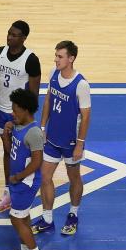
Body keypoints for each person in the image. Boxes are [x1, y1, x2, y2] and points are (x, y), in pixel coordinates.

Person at [30, 41, 90, 235]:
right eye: (55, 55)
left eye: (60, 56)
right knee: (45, 177)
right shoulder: (53, 74)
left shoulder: (81, 85)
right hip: (52, 139)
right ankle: (48, 219)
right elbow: (48, 100)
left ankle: (73, 214)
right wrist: (42, 126)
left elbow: (86, 116)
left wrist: (80, 144)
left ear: (71, 59)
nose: (56, 59)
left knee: (74, 179)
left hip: (71, 143)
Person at [0, 21, 42, 213]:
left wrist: (24, 120)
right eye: (8, 33)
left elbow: (33, 94)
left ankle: (19, 188)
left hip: (18, 116)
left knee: (20, 154)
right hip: (1, 111)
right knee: (7, 151)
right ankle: (8, 189)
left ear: (24, 38)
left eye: (14, 35)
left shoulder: (30, 60)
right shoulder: (0, 52)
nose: (9, 37)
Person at [0, 88, 47, 250]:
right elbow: (10, 151)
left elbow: (37, 162)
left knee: (16, 218)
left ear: (26, 110)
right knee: (24, 217)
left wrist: (18, 177)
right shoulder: (18, 127)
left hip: (26, 183)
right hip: (17, 181)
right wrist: (6, 135)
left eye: (16, 109)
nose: (13, 113)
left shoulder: (34, 133)